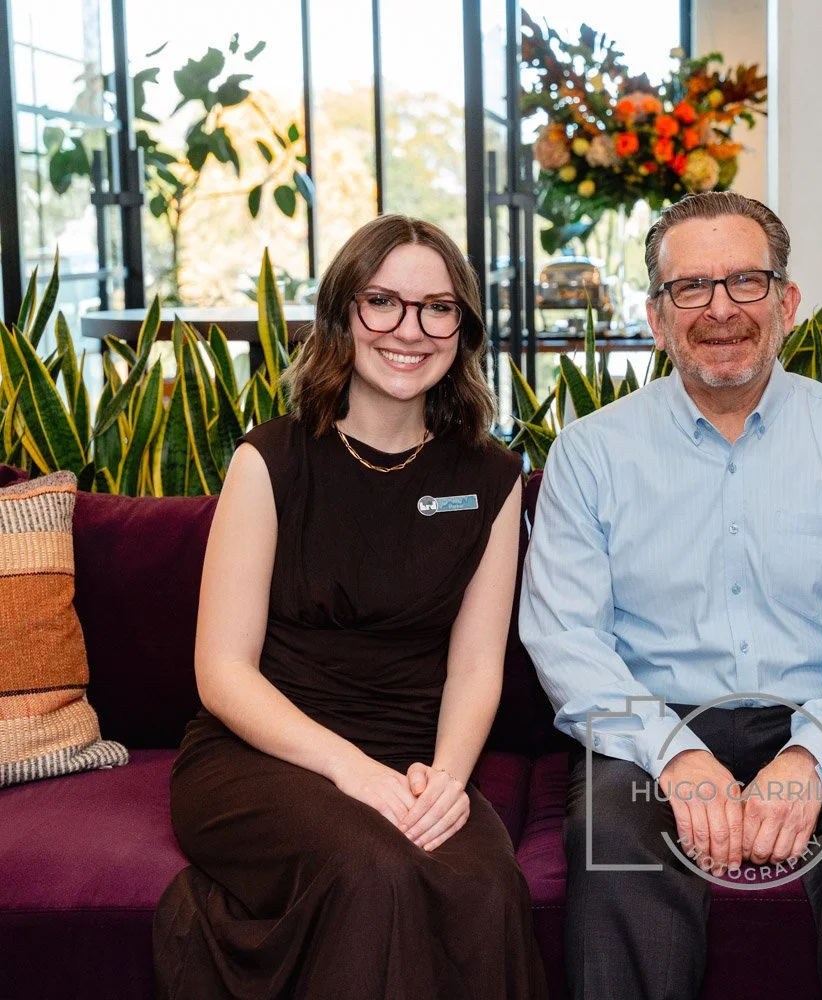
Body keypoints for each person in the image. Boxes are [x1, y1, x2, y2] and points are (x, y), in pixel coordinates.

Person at [520, 191, 822, 1000]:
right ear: (657, 318)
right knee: (610, 838)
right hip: (647, 731)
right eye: (692, 287)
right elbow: (566, 639)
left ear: (786, 302)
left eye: (746, 281)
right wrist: (675, 754)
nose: (721, 309)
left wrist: (809, 756)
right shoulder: (590, 453)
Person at [153, 215, 546, 999]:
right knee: (375, 870)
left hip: (412, 758)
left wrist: (446, 781)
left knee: (484, 888)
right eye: (383, 301)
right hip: (262, 755)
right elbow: (222, 673)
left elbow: (476, 665)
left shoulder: (492, 478)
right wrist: (354, 773)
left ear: (462, 329)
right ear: (342, 313)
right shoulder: (269, 459)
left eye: (438, 308)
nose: (410, 329)